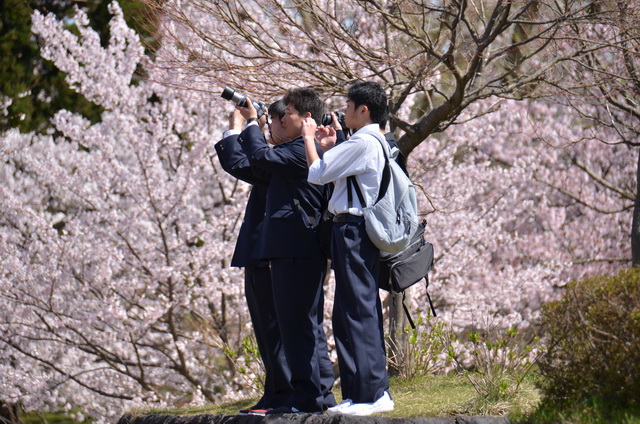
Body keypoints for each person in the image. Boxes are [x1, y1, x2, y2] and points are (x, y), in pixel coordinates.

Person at [236, 88, 336, 415]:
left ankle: (310, 399)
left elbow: (261, 157)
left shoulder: (299, 150)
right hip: (295, 248)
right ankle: (318, 397)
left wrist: (251, 123)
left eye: (288, 111)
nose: (282, 117)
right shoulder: (299, 149)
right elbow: (256, 164)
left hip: (296, 248)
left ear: (305, 118)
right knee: (303, 325)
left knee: (298, 327)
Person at [302, 81, 395, 416]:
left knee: (358, 310)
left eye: (349, 105)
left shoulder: (365, 140)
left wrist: (310, 139)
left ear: (363, 110)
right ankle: (359, 394)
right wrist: (329, 147)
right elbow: (333, 169)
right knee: (347, 312)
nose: (344, 111)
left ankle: (374, 394)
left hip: (354, 230)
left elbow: (318, 173)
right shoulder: (368, 142)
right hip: (351, 231)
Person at [214, 102, 292, 415]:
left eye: (273, 121)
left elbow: (240, 163)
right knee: (265, 326)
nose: (270, 127)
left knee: (278, 326)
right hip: (262, 251)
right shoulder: (277, 155)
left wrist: (243, 126)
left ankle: (284, 393)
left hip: (275, 251)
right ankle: (275, 391)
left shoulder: (289, 155)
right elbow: (244, 161)